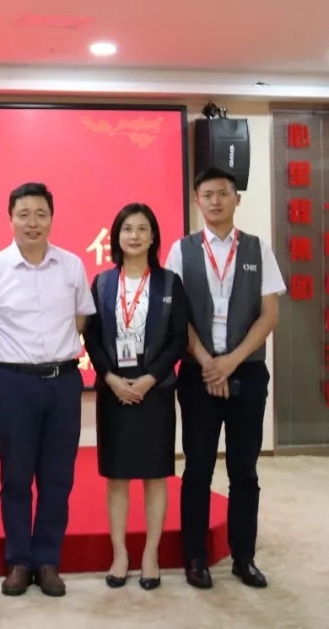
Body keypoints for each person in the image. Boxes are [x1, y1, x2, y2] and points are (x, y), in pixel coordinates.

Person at [164, 166, 286, 590]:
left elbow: (269, 315)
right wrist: (207, 362)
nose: (215, 201)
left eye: (222, 193)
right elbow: (176, 315)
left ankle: (243, 557)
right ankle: (195, 557)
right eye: (207, 194)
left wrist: (230, 361)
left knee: (244, 471)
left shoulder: (257, 249)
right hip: (197, 374)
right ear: (197, 201)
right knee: (197, 469)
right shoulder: (181, 251)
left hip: (246, 372)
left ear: (237, 199)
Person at [0, 182, 95, 598]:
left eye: (41, 214)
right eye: (24, 214)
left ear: (51, 218)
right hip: (12, 384)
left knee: (58, 477)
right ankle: (19, 561)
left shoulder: (72, 265)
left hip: (63, 382)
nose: (32, 222)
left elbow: (81, 319)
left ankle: (47, 561)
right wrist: (14, 357)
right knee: (16, 476)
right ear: (10, 219)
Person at [83, 203, 188, 591]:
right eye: (127, 228)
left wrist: (149, 379)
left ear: (153, 236)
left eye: (143, 229)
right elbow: (92, 337)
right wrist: (110, 378)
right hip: (114, 392)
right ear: (116, 236)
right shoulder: (102, 283)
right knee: (117, 477)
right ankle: (120, 554)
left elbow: (178, 338)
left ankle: (150, 555)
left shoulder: (169, 283)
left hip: (154, 393)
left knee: (156, 476)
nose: (135, 236)